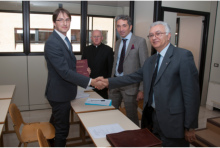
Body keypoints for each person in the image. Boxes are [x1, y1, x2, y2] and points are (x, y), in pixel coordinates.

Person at [97, 21, 200, 148]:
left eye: (158, 33)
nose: (154, 37)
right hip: (152, 119)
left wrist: (190, 126)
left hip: (173, 122)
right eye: (151, 35)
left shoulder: (183, 56)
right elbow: (132, 77)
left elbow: (192, 95)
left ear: (168, 35)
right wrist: (108, 81)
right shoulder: (151, 61)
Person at [44, 8, 104, 148]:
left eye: (67, 19)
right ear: (54, 23)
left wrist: (83, 71)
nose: (64, 23)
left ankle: (49, 141)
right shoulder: (53, 42)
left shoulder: (64, 39)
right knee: (62, 131)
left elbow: (69, 65)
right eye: (60, 19)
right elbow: (64, 72)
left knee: (56, 123)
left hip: (65, 91)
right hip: (59, 94)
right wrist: (90, 81)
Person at [109, 15, 148, 126]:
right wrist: (110, 82)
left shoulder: (140, 41)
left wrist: (141, 89)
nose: (121, 29)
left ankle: (134, 140)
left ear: (130, 27)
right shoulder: (117, 43)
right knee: (112, 112)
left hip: (131, 86)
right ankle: (115, 136)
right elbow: (115, 64)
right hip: (115, 84)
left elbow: (144, 67)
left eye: (124, 26)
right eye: (118, 26)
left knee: (131, 117)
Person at [82, 30, 113, 99]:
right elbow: (83, 66)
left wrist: (108, 83)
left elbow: (110, 68)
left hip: (102, 84)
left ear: (102, 38)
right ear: (91, 38)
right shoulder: (86, 50)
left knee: (102, 106)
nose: (96, 38)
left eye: (98, 36)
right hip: (89, 83)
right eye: (94, 36)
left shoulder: (108, 50)